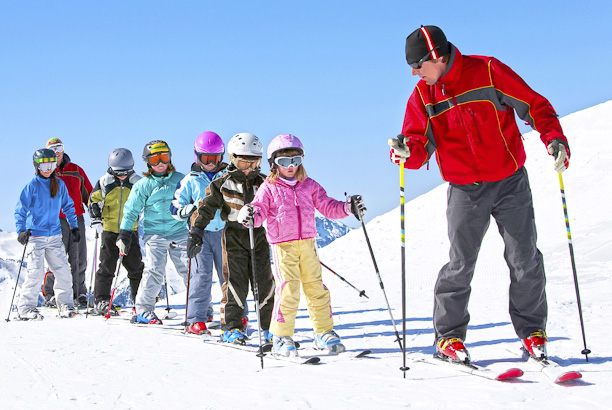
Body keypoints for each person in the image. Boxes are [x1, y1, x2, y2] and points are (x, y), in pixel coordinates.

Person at [389, 25, 570, 362]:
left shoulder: (488, 71)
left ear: (437, 56)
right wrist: (403, 152)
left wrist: (554, 138)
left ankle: (532, 331)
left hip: (509, 180)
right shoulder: (422, 96)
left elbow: (535, 105)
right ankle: (449, 337)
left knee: (524, 257)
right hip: (464, 190)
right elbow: (416, 147)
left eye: (418, 65)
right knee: (460, 264)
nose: (415, 73)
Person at [239, 134, 366, 356]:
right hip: (283, 247)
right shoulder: (269, 187)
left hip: (308, 244)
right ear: (273, 163)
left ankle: (323, 333)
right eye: (284, 162)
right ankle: (281, 336)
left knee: (316, 288)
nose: (291, 167)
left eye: (296, 161)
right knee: (289, 290)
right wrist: (249, 214)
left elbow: (328, 207)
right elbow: (258, 210)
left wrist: (348, 207)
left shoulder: (309, 185)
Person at [187, 132, 274, 345]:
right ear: (233, 159)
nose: (249, 168)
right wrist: (197, 231)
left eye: (254, 162)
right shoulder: (222, 182)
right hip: (234, 235)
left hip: (259, 235)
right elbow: (205, 207)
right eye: (244, 162)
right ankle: (231, 327)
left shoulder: (265, 182)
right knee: (235, 282)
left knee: (265, 283)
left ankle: (270, 328)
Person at [117, 140, 189, 324]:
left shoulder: (181, 180)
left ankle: (201, 309)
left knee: (189, 270)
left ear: (170, 157)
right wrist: (124, 233)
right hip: (155, 234)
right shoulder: (144, 184)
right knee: (154, 270)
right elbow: (131, 209)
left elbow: (192, 201)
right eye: (154, 159)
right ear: (147, 162)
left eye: (163, 157)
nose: (160, 163)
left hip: (179, 231)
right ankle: (144, 310)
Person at [170, 131, 229, 335]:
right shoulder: (190, 180)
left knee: (229, 276)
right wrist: (186, 211)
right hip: (199, 235)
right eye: (206, 158)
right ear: (197, 157)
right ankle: (196, 319)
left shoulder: (228, 177)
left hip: (225, 233)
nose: (211, 163)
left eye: (215, 158)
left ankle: (234, 317)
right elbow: (175, 207)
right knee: (200, 276)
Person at [14, 149, 79, 319]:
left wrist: (74, 226)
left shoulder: (59, 184)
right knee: (35, 272)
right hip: (36, 236)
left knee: (63, 271)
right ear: (37, 165)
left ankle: (65, 305)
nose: (48, 168)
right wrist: (21, 230)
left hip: (55, 235)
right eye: (44, 164)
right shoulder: (32, 186)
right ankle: (26, 308)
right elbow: (20, 210)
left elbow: (68, 206)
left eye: (51, 164)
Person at [88, 148, 144, 315]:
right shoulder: (104, 182)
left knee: (136, 267)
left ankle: (140, 301)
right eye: (118, 172)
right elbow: (93, 201)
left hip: (130, 231)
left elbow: (147, 201)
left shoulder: (137, 182)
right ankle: (102, 300)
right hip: (109, 230)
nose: (122, 176)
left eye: (125, 172)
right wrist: (95, 218)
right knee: (106, 267)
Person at [42, 138, 93, 308]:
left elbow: (89, 194)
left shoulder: (76, 171)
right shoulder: (46, 172)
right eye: (52, 148)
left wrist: (95, 210)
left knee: (79, 256)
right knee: (57, 257)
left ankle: (79, 294)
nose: (56, 151)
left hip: (76, 218)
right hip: (55, 219)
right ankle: (50, 294)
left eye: (59, 148)